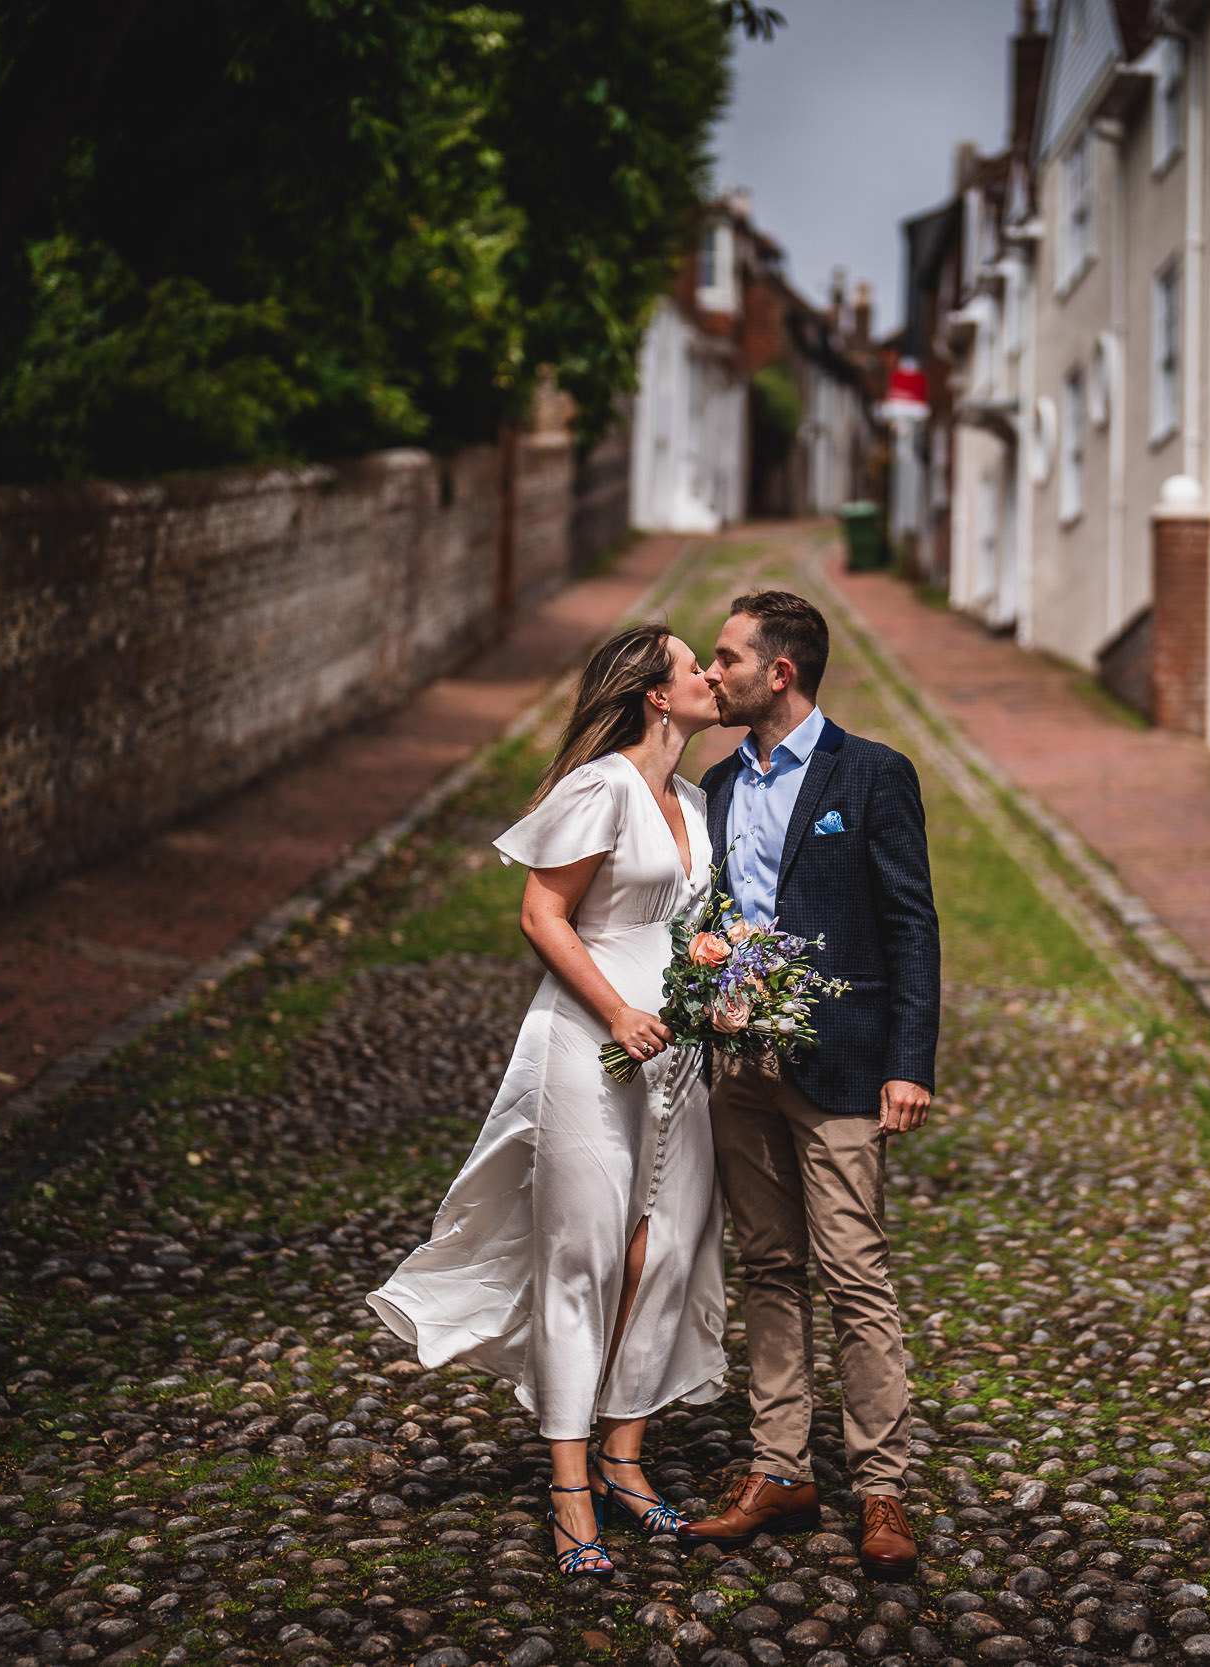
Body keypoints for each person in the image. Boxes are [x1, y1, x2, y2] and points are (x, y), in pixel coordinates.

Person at [368, 622, 728, 1578]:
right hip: (591, 1047)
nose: (711, 678)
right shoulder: (600, 785)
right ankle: (570, 1489)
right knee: (587, 1256)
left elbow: (687, 926)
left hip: (681, 1059)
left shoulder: (692, 798)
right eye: (696, 667)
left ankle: (624, 1456)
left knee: (667, 1254)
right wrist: (614, 1010)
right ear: (657, 694)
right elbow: (542, 912)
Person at [682, 590, 939, 1581]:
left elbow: (911, 923)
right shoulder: (714, 784)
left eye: (726, 657)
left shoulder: (871, 775)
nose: (714, 673)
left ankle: (881, 1486)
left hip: (840, 1065)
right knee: (769, 1265)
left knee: (855, 1273)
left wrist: (908, 1062)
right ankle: (780, 1468)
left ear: (778, 670)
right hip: (739, 1067)